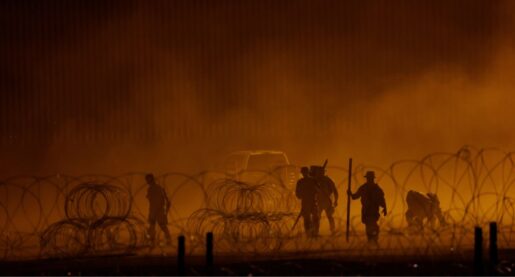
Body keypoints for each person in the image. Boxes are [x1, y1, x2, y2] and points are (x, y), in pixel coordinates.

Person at [347, 171, 387, 243]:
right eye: (369, 178)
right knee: (369, 225)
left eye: (370, 178)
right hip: (366, 209)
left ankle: (374, 239)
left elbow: (381, 198)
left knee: (373, 225)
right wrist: (350, 194)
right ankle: (371, 240)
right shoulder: (364, 188)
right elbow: (355, 197)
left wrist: (385, 207)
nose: (369, 179)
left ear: (372, 178)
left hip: (374, 209)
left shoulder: (376, 188)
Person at [311, 166, 338, 235]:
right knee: (317, 217)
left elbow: (335, 190)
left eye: (321, 172)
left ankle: (333, 230)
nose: (320, 173)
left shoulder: (328, 180)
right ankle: (315, 231)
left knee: (329, 216)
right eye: (319, 172)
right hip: (318, 201)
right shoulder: (314, 180)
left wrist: (336, 200)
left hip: (327, 201)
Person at [145, 173, 172, 246]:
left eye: (147, 179)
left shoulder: (155, 188)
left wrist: (164, 210)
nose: (146, 181)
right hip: (154, 210)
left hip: (158, 210)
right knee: (152, 226)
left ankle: (168, 239)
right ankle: (152, 241)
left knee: (161, 226)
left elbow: (163, 200)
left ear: (151, 179)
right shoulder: (154, 188)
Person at [295, 167, 320, 237]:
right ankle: (309, 233)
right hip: (306, 202)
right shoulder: (301, 182)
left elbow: (318, 190)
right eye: (303, 172)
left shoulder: (312, 180)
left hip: (312, 201)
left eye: (305, 172)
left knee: (315, 217)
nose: (304, 174)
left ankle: (315, 232)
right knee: (307, 218)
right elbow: (298, 194)